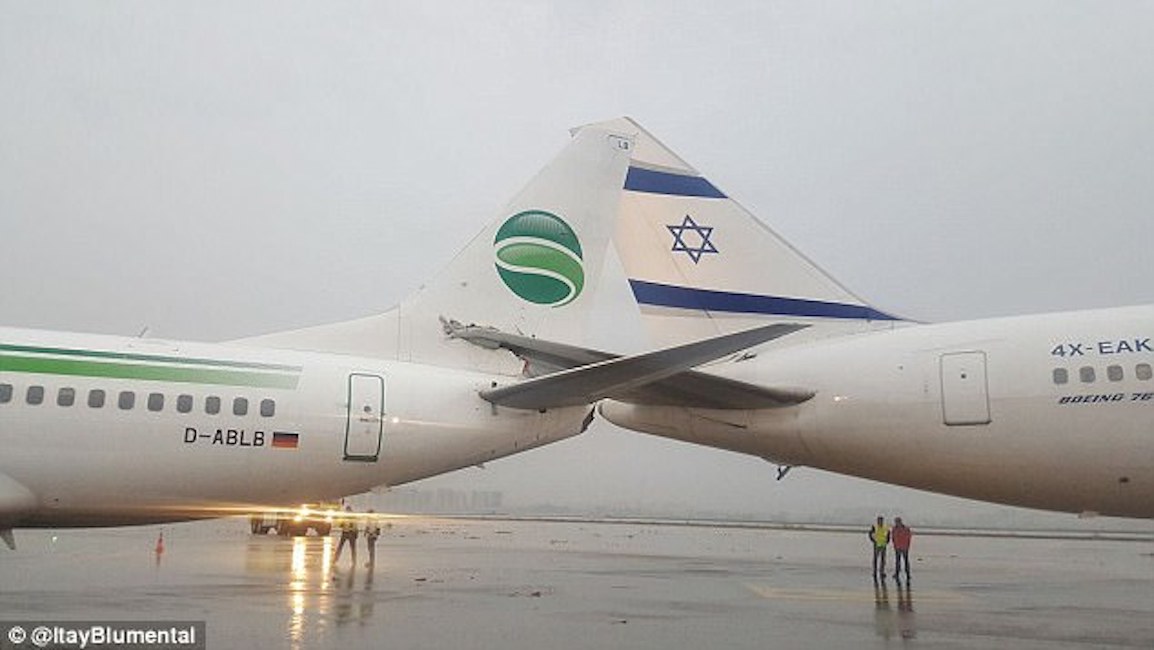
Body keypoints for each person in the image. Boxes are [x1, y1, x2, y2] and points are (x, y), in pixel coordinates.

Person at [891, 517, 913, 581]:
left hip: (904, 547)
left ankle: (908, 574)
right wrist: (895, 545)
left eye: (897, 522)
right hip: (898, 547)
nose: (897, 523)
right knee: (898, 561)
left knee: (906, 561)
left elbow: (909, 537)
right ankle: (897, 573)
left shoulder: (906, 529)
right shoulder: (894, 529)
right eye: (896, 522)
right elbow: (893, 538)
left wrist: (907, 546)